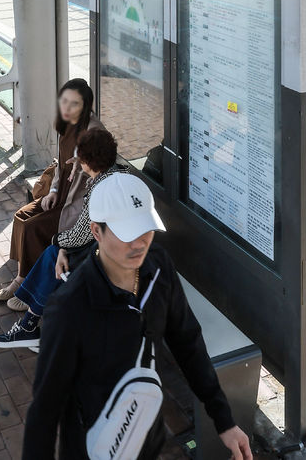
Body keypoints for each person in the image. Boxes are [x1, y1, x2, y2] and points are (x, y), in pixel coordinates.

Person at [22, 174, 253, 460]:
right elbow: (45, 410)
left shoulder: (158, 268)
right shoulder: (69, 308)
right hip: (91, 450)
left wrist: (224, 421)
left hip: (146, 439)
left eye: (145, 228)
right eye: (125, 232)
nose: (139, 242)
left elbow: (188, 343)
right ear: (96, 232)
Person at [0, 127, 122, 350]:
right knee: (56, 252)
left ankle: (28, 326)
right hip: (108, 249)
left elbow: (80, 235)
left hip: (104, 257)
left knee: (53, 253)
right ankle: (29, 323)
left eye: (81, 158)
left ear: (89, 162)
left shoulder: (100, 188)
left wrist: (58, 242)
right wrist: (63, 245)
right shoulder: (118, 175)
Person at [0, 78, 103, 300]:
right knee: (21, 216)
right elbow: (59, 164)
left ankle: (25, 284)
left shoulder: (93, 131)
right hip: (61, 193)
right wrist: (53, 191)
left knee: (34, 227)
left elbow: (97, 171)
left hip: (77, 202)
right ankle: (24, 271)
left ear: (86, 105)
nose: (67, 108)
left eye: (74, 103)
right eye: (64, 101)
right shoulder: (65, 126)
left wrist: (80, 166)